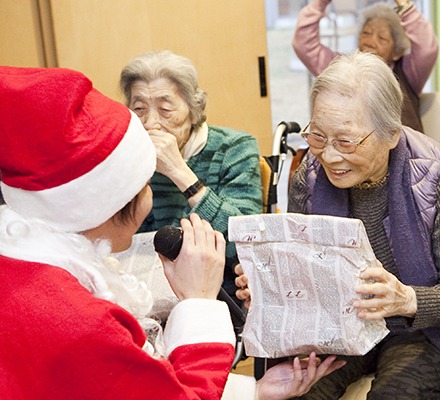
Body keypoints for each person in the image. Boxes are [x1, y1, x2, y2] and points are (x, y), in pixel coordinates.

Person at [0, 66, 344, 400]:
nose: (152, 122)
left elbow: (134, 385)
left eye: (165, 108)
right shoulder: (82, 324)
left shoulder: (24, 266)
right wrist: (198, 302)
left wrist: (253, 390)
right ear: (118, 201)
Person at [236, 50, 440, 399]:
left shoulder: (439, 178)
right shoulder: (309, 179)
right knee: (302, 393)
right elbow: (305, 276)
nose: (328, 156)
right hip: (338, 327)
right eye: (318, 137)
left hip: (424, 332)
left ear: (391, 133)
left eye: (345, 141)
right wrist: (269, 287)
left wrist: (405, 299)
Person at [119, 50, 262, 300]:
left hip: (217, 299)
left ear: (193, 111)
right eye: (139, 109)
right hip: (140, 295)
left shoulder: (234, 149)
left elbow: (245, 249)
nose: (151, 123)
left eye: (165, 109)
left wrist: (179, 172)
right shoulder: (123, 155)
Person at [293, 0, 438, 132]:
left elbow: (427, 49)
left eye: (382, 38)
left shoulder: (408, 71)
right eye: (366, 33)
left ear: (397, 51)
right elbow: (304, 45)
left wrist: (405, 6)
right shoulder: (340, 66)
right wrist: (321, 2)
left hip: (401, 155)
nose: (370, 42)